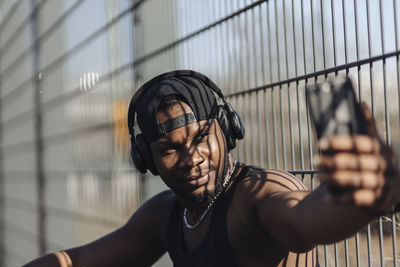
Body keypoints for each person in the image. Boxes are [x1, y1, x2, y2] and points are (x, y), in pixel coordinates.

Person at [23, 70, 400, 267]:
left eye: (202, 137)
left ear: (227, 130)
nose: (191, 157)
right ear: (146, 159)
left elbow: (306, 219)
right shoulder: (168, 214)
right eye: (169, 148)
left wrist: (362, 197)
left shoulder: (257, 196)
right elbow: (78, 262)